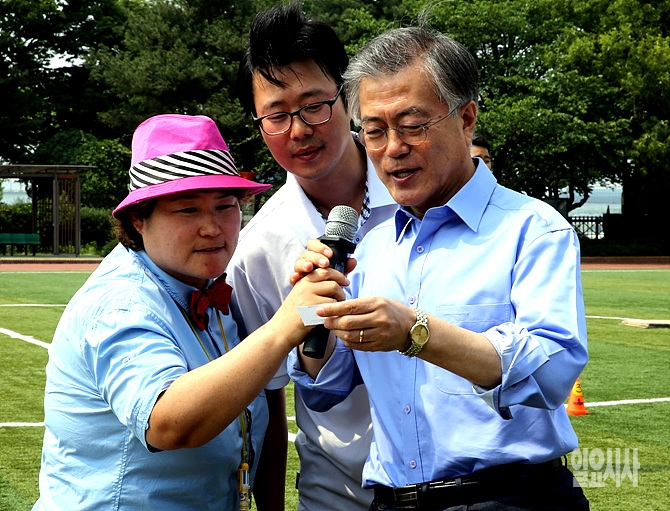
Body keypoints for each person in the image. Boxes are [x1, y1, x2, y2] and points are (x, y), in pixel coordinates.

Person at [289, 25, 590, 511]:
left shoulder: (532, 229)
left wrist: (416, 332)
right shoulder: (369, 247)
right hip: (390, 501)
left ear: (466, 118)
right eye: (374, 131)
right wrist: (310, 309)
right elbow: (327, 386)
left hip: (509, 499)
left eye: (412, 125)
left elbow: (552, 369)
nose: (392, 148)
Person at [31, 114, 349, 511]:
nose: (212, 227)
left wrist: (317, 311)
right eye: (187, 210)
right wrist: (284, 326)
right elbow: (168, 423)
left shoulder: (204, 284)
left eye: (225, 206)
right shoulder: (123, 302)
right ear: (138, 218)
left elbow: (264, 392)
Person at [229, 2, 397, 510]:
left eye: (314, 105)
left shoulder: (418, 192)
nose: (298, 129)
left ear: (348, 97)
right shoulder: (258, 249)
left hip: (451, 485)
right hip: (339, 491)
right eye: (276, 115)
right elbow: (267, 395)